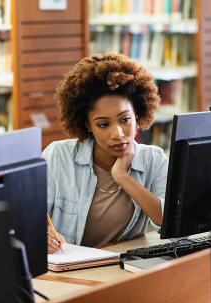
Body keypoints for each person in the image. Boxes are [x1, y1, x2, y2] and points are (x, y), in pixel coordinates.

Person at [42, 52, 169, 253]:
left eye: (125, 120)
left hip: (121, 270)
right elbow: (24, 220)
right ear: (88, 126)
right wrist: (40, 234)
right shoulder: (58, 156)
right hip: (66, 270)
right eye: (103, 124)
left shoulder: (155, 160)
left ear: (136, 115)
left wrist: (122, 176)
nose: (118, 134)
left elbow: (172, 225)